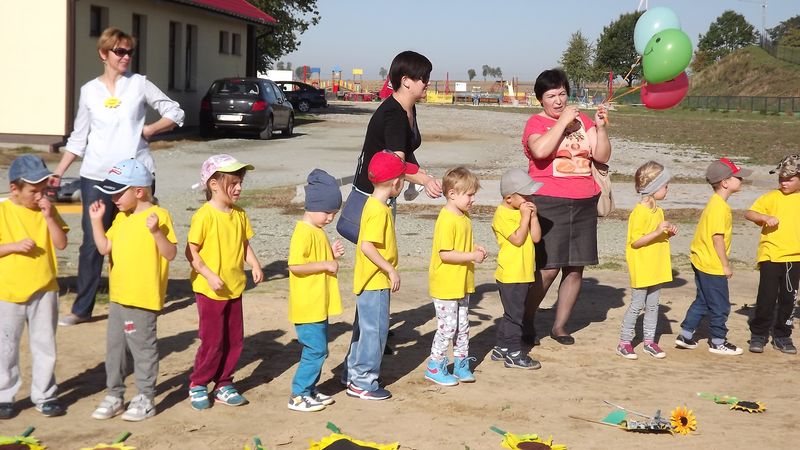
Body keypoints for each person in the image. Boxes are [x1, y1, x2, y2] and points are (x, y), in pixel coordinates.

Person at [54, 27, 185, 326]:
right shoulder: (89, 91)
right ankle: (82, 309)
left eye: (129, 51)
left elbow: (175, 112)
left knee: (138, 239)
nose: (125, 57)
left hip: (135, 176)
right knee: (93, 240)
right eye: (119, 51)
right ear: (104, 54)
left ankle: (140, 300)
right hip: (96, 176)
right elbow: (79, 136)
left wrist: (151, 129)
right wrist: (59, 172)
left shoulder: (139, 85)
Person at [520, 69, 610, 345]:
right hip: (549, 201)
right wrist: (561, 124)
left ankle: (560, 326)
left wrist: (601, 127)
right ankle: (526, 318)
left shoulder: (583, 121)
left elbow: (602, 156)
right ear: (540, 100)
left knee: (575, 267)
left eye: (561, 93)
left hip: (584, 200)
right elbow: (541, 151)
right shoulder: (535, 124)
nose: (558, 100)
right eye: (551, 96)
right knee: (547, 268)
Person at [87, 159, 177, 421]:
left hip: (142, 298)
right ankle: (115, 395)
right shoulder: (120, 219)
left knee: (143, 349)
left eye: (118, 192)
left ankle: (145, 398)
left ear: (138, 191)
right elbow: (105, 248)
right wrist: (95, 221)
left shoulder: (159, 216)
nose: (113, 198)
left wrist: (156, 231)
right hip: (118, 297)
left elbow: (170, 253)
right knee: (114, 350)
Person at [185, 154, 264, 410]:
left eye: (240, 181)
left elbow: (243, 244)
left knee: (234, 339)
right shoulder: (204, 216)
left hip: (234, 287)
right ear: (214, 184)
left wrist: (254, 263)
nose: (239, 187)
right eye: (233, 182)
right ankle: (198, 383)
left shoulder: (240, 214)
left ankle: (223, 383)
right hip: (210, 290)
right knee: (213, 340)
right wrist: (208, 274)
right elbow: (191, 252)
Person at [338, 51, 442, 242]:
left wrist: (419, 172)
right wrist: (425, 180)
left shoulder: (408, 108)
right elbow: (395, 167)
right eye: (423, 78)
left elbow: (405, 150)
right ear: (406, 81)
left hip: (386, 192)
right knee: (376, 252)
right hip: (372, 194)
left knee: (383, 253)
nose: (427, 82)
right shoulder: (394, 115)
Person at [343, 151, 417, 401]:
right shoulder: (378, 210)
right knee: (375, 332)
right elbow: (367, 245)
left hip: (371, 280)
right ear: (396, 183)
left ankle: (353, 374)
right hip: (375, 281)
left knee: (365, 330)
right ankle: (363, 381)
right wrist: (390, 268)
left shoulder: (373, 205)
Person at [0, 155, 69, 419]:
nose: (39, 196)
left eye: (42, 190)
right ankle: (4, 395)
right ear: (14, 188)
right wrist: (13, 247)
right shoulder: (3, 210)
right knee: (5, 347)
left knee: (45, 344)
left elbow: (61, 243)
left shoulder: (47, 209)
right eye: (33, 191)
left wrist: (50, 216)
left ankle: (45, 394)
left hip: (44, 288)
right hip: (7, 291)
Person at [674, 158, 751, 356]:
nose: (741, 179)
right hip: (712, 264)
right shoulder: (720, 207)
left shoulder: (716, 203)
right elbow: (718, 238)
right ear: (725, 182)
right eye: (738, 176)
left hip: (701, 260)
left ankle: (685, 335)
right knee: (721, 304)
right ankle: (718, 341)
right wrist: (725, 265)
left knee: (704, 300)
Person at [287, 169, 344, 412]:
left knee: (319, 349)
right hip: (307, 305)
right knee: (316, 350)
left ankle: (309, 390)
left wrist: (331, 253)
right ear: (313, 205)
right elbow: (295, 266)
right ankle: (298, 394)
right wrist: (325, 263)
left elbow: (316, 259)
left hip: (318, 303)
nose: (330, 218)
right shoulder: (303, 232)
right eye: (327, 212)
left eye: (334, 213)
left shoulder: (317, 231)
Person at [424, 167, 486, 386]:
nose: (473, 199)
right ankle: (435, 365)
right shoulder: (447, 219)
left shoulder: (464, 216)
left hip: (461, 282)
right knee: (447, 327)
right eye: (469, 194)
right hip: (446, 284)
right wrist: (472, 255)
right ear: (452, 194)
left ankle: (460, 364)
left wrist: (473, 248)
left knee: (463, 326)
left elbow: (460, 245)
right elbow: (445, 254)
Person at [616, 162, 677, 360]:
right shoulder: (639, 212)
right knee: (637, 305)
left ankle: (649, 342)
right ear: (654, 187)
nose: (667, 189)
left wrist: (667, 233)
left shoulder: (658, 211)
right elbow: (636, 242)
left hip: (656, 265)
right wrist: (658, 231)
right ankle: (624, 342)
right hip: (642, 266)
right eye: (665, 185)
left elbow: (656, 236)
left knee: (653, 305)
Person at [744, 154, 800, 355]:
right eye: (781, 178)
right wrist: (764, 217)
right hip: (770, 255)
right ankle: (758, 334)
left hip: (794, 259)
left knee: (788, 300)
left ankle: (782, 335)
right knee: (766, 298)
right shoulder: (771, 197)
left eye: (789, 179)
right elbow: (749, 213)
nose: (784, 182)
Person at [490, 169, 543, 370]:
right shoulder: (502, 215)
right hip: (510, 274)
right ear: (509, 198)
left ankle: (501, 347)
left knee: (512, 313)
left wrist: (534, 217)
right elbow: (518, 239)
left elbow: (536, 238)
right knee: (515, 315)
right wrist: (524, 218)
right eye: (525, 195)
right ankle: (513, 353)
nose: (530, 198)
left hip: (524, 272)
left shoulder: (524, 212)